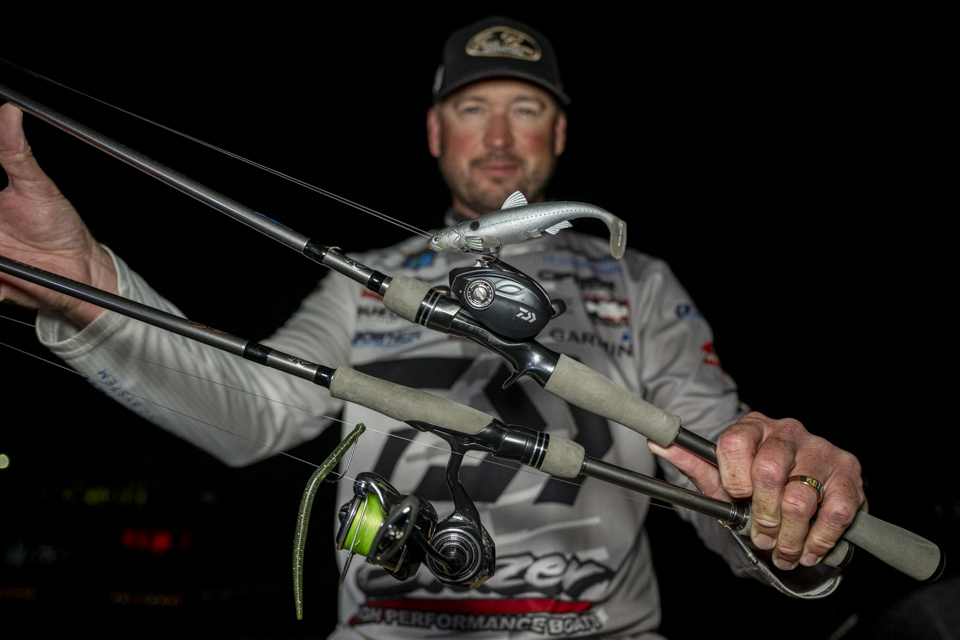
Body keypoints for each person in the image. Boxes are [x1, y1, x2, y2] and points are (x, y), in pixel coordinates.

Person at [0, 17, 865, 640]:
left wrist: (788, 505)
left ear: (560, 131)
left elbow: (721, 467)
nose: (499, 136)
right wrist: (86, 291)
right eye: (472, 107)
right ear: (434, 130)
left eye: (526, 108)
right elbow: (252, 412)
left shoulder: (643, 283)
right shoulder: (362, 279)